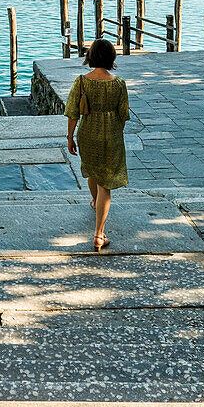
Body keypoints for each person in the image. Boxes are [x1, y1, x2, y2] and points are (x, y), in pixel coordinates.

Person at [65, 38, 129, 250]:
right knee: (105, 184)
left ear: (90, 57)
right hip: (111, 135)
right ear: (112, 58)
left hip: (87, 133)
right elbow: (123, 115)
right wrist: (114, 132)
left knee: (92, 172)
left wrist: (70, 137)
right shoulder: (118, 84)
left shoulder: (82, 81)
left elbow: (73, 112)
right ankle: (99, 234)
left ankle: (95, 202)